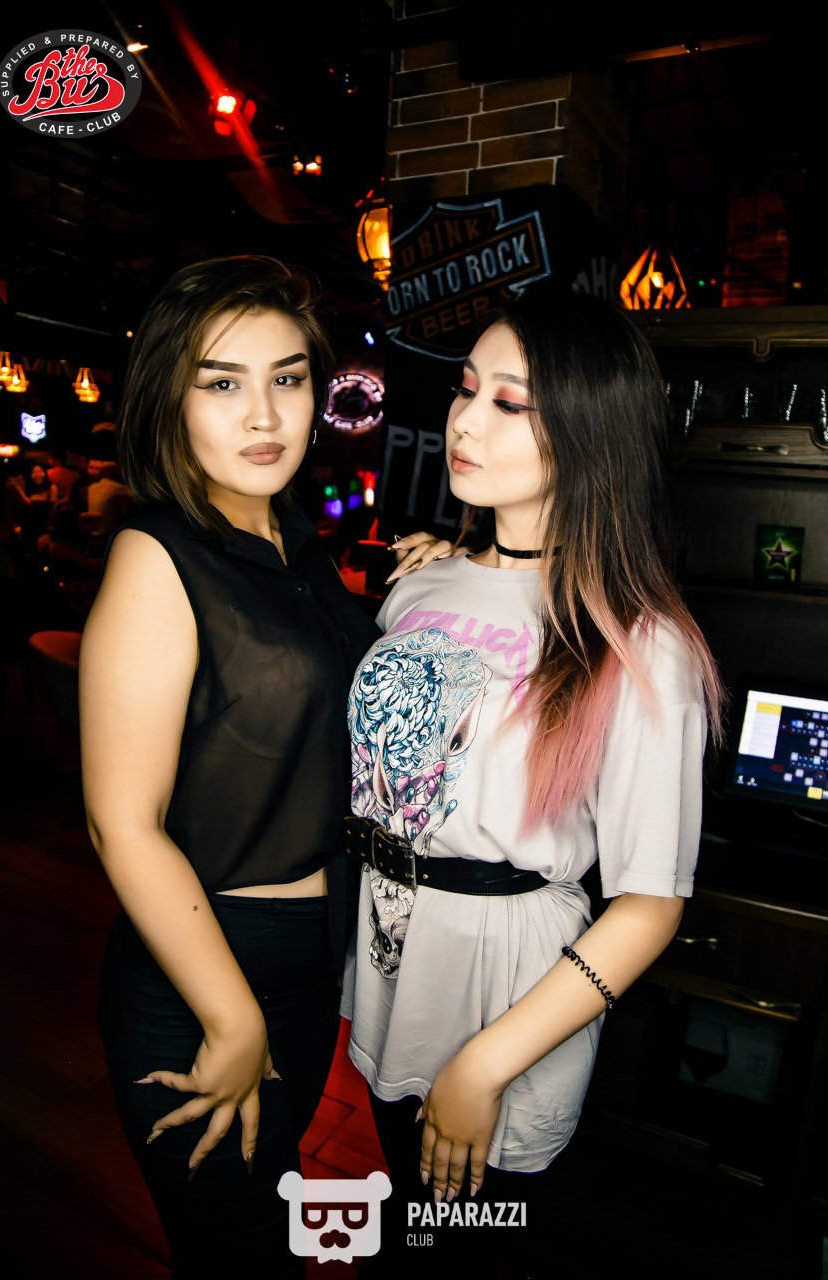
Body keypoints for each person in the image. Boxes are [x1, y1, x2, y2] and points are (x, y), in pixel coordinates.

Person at [342, 283, 724, 1276]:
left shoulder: (637, 641)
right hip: (386, 962)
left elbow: (649, 903)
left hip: (506, 996)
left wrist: (484, 1064)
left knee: (466, 1254)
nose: (464, 420)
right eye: (466, 389)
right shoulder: (419, 582)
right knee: (404, 1240)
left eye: (509, 402)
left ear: (588, 435)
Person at [79, 255, 449, 1279]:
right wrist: (230, 1013)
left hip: (310, 959)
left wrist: (428, 582)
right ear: (170, 396)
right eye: (222, 381)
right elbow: (121, 822)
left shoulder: (292, 540)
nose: (264, 413)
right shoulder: (157, 554)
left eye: (287, 378)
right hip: (201, 969)